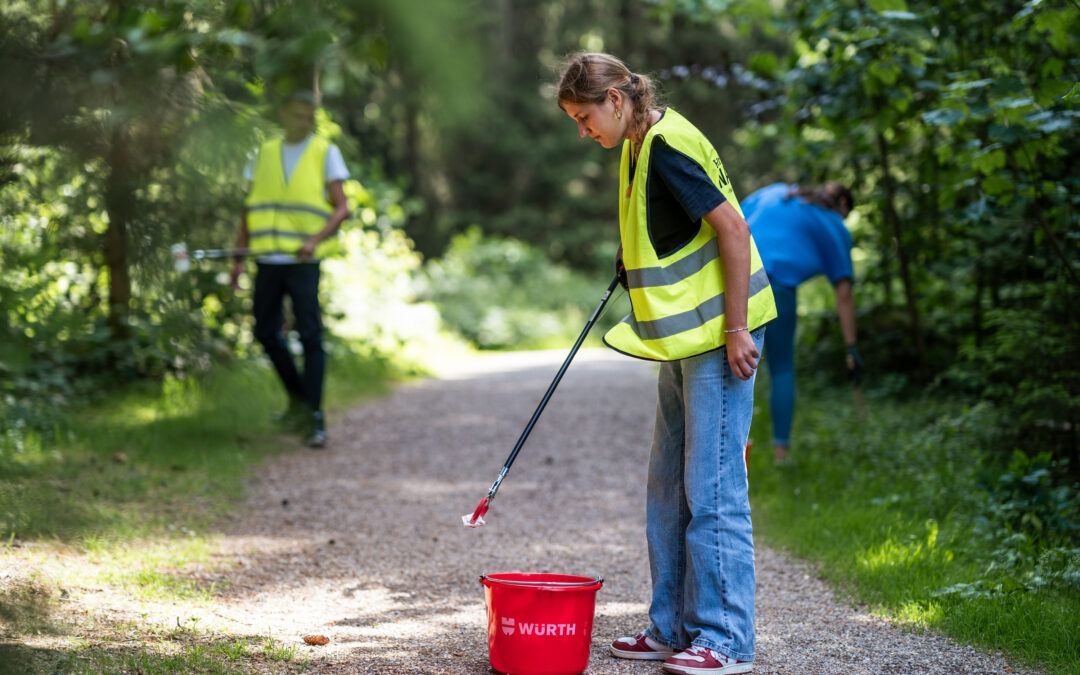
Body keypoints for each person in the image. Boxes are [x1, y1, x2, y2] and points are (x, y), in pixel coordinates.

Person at [557, 53, 776, 675]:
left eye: (585, 116)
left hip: (720, 337)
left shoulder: (669, 143)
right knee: (667, 485)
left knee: (712, 490)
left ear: (618, 101)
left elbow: (733, 229)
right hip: (686, 340)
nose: (584, 131)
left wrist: (737, 328)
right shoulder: (639, 141)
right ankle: (672, 628)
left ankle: (726, 641)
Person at [229, 90, 351, 448]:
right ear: (284, 114)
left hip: (303, 262)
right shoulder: (262, 153)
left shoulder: (325, 152)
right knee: (266, 333)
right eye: (299, 115)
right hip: (266, 260)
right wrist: (238, 260)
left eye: (310, 116)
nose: (305, 122)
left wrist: (315, 239)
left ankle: (314, 417)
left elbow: (341, 207)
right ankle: (299, 403)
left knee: (310, 337)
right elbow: (247, 210)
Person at [740, 182, 860, 465]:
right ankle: (781, 455)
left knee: (731, 364)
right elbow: (844, 293)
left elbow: (734, 220)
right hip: (776, 286)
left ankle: (729, 448)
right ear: (842, 203)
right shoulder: (832, 221)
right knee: (782, 369)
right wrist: (851, 347)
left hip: (731, 277)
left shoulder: (774, 192)